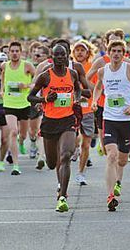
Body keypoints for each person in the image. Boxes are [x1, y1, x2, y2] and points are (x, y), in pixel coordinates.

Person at [91, 40, 130, 211]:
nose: (116, 54)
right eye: (113, 51)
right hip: (109, 118)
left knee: (122, 160)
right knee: (111, 155)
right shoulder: (103, 71)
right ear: (108, 52)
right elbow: (98, 88)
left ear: (123, 53)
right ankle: (110, 196)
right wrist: (95, 101)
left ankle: (118, 182)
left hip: (127, 120)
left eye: (119, 51)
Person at [28, 44, 86, 212]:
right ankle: (60, 183)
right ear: (52, 57)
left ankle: (63, 195)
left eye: (63, 55)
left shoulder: (72, 74)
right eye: (57, 55)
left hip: (68, 120)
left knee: (66, 155)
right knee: (53, 163)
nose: (60, 57)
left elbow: (78, 91)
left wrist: (76, 99)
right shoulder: (45, 77)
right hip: (49, 123)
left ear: (67, 56)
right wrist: (45, 99)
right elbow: (30, 97)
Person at [0, 41, 36, 175]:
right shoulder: (4, 65)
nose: (14, 53)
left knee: (23, 134)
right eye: (12, 51)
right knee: (13, 132)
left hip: (24, 104)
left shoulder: (27, 66)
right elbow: (3, 77)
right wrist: (2, 90)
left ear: (21, 52)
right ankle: (16, 165)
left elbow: (36, 81)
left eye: (17, 51)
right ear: (8, 53)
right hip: (9, 103)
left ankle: (21, 142)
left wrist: (26, 86)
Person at [71, 40, 96, 185]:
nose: (80, 52)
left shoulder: (92, 67)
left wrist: (84, 79)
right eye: (77, 50)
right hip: (71, 109)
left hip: (87, 109)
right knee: (71, 142)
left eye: (83, 50)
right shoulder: (68, 67)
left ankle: (81, 173)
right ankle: (73, 152)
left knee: (86, 144)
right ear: (73, 53)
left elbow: (96, 88)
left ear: (88, 53)